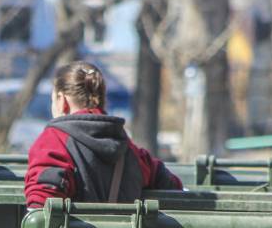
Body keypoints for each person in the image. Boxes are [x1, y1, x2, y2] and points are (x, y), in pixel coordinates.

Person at [25, 61, 182, 208]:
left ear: (62, 100)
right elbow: (169, 183)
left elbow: (41, 203)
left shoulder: (54, 141)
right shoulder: (127, 147)